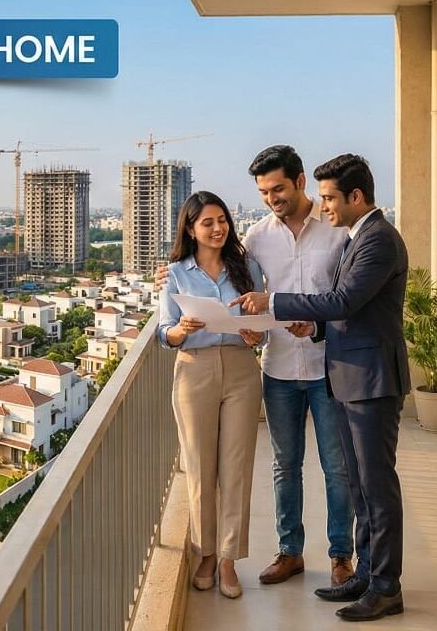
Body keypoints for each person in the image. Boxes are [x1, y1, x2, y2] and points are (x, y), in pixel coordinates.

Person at [160, 145, 356, 587]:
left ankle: (341, 556)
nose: (271, 199)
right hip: (278, 367)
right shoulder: (258, 238)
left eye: (278, 189)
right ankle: (289, 552)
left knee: (337, 466)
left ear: (300, 182)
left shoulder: (335, 229)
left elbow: (347, 295)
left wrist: (311, 324)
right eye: (264, 192)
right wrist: (170, 278)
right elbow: (224, 282)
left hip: (327, 364)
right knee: (285, 466)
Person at [232, 153, 409, 622]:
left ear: (356, 196)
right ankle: (366, 575)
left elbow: (344, 300)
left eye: (330, 198)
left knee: (375, 487)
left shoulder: (377, 239)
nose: (325, 205)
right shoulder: (358, 236)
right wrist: (314, 328)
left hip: (370, 378)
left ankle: (385, 587)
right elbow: (350, 312)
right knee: (360, 485)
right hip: (346, 375)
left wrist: (276, 302)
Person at [156, 191, 265, 600]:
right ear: (190, 229)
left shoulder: (248, 267)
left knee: (236, 467)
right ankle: (205, 552)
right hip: (194, 369)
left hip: (241, 369)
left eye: (222, 220)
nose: (218, 228)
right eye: (208, 222)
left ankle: (228, 559)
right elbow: (164, 332)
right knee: (200, 467)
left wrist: (254, 334)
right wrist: (181, 330)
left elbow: (260, 325)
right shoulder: (175, 274)